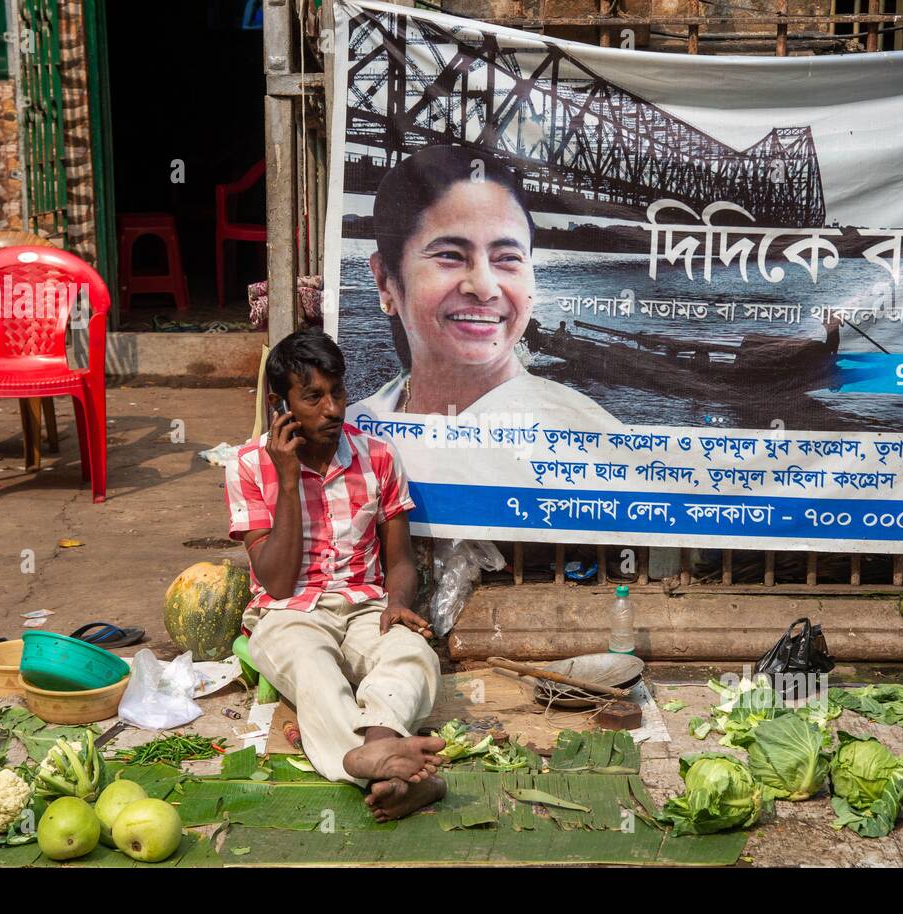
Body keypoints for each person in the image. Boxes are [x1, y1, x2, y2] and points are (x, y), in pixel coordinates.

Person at [224, 326, 446, 821]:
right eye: (313, 398)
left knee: (414, 656)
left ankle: (381, 756)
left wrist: (398, 602)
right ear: (281, 405)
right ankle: (378, 765)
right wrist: (286, 479)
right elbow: (277, 583)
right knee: (312, 667)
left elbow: (401, 560)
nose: (333, 409)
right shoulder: (246, 465)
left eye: (338, 392)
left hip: (367, 605)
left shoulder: (378, 457)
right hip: (289, 613)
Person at [356, 143, 616, 423]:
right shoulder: (350, 434)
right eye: (450, 255)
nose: (484, 287)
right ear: (384, 280)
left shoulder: (594, 441)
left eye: (507, 258)